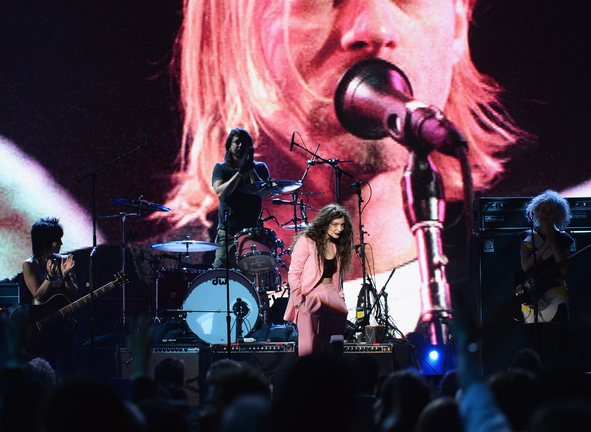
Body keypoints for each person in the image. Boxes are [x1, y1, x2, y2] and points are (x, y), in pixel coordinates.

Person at [153, 0, 533, 339]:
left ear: (459, 22)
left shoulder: (538, 293)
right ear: (221, 38)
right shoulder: (144, 305)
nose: (375, 30)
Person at [283, 203, 354, 356]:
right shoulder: (307, 241)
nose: (339, 229)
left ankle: (332, 377)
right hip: (310, 294)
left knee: (333, 349)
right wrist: (299, 302)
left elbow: (337, 277)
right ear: (325, 223)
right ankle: (308, 378)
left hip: (332, 294)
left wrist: (341, 298)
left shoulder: (337, 245)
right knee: (309, 350)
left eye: (342, 225)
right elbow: (294, 274)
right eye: (335, 225)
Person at [519, 190, 573, 366]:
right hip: (532, 295)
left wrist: (554, 246)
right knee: (532, 349)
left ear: (557, 214)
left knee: (559, 348)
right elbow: (525, 266)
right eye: (543, 210)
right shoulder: (527, 237)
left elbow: (564, 271)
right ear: (536, 211)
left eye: (551, 211)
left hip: (556, 295)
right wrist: (544, 247)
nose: (546, 215)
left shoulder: (564, 239)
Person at [21, 217, 79, 379]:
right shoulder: (30, 264)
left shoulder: (65, 261)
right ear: (45, 241)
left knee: (69, 369)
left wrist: (67, 277)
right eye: (57, 240)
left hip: (64, 325)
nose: (61, 243)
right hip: (41, 327)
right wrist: (50, 277)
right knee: (46, 370)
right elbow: (38, 295)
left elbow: (74, 294)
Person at [210, 127, 271, 269]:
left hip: (253, 233)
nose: (240, 146)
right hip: (228, 234)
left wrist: (250, 169)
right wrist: (239, 173)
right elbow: (222, 193)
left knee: (252, 275)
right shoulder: (221, 168)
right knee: (221, 274)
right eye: (236, 142)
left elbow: (263, 193)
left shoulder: (260, 167)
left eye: (244, 143)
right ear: (229, 146)